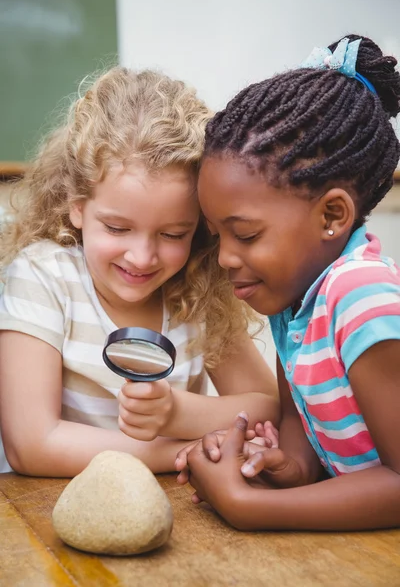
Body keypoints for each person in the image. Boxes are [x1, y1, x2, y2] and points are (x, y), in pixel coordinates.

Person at [0, 67, 279, 476]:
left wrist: (177, 413)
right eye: (117, 228)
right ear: (77, 204)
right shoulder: (43, 277)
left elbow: (270, 409)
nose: (143, 257)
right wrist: (185, 451)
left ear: (200, 226)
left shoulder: (198, 288)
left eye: (172, 233)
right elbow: (32, 445)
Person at [183, 34, 400, 531]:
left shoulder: (359, 296)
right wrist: (269, 466)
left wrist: (249, 506)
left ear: (332, 215)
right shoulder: (295, 303)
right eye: (217, 237)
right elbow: (305, 452)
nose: (225, 258)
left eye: (246, 234)